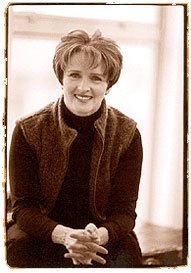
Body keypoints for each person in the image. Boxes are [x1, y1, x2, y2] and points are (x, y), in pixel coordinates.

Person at [7, 29, 143, 268]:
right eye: (74, 75)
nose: (83, 87)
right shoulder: (27, 130)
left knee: (128, 255)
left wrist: (96, 237)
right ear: (62, 78)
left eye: (96, 78)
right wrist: (65, 235)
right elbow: (23, 209)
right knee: (18, 251)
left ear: (108, 85)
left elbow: (125, 212)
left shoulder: (128, 134)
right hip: (41, 232)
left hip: (101, 235)